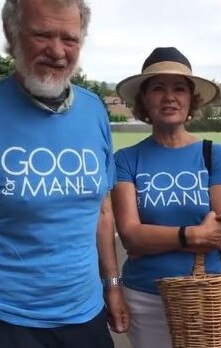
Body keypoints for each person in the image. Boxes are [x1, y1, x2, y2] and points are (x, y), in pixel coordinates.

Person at [0, 1, 129, 348]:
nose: (57, 52)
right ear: (12, 35)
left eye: (69, 39)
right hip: (9, 320)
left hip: (86, 316)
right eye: (42, 35)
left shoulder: (94, 110)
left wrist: (112, 286)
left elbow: (103, 210)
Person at [111, 46, 221, 348]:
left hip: (208, 294)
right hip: (145, 297)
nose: (169, 97)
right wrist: (193, 235)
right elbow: (131, 237)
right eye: (158, 88)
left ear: (191, 99)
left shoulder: (216, 154)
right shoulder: (126, 160)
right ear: (144, 99)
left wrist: (154, 238)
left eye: (179, 88)